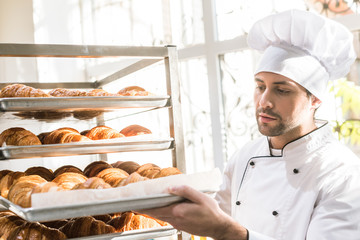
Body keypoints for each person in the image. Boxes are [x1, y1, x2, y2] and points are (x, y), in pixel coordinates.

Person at [140, 9, 360, 240]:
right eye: (260, 86)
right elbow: (215, 221)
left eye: (282, 90)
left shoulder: (343, 174)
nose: (264, 102)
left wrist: (228, 232)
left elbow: (223, 228)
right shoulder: (245, 156)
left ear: (315, 99)